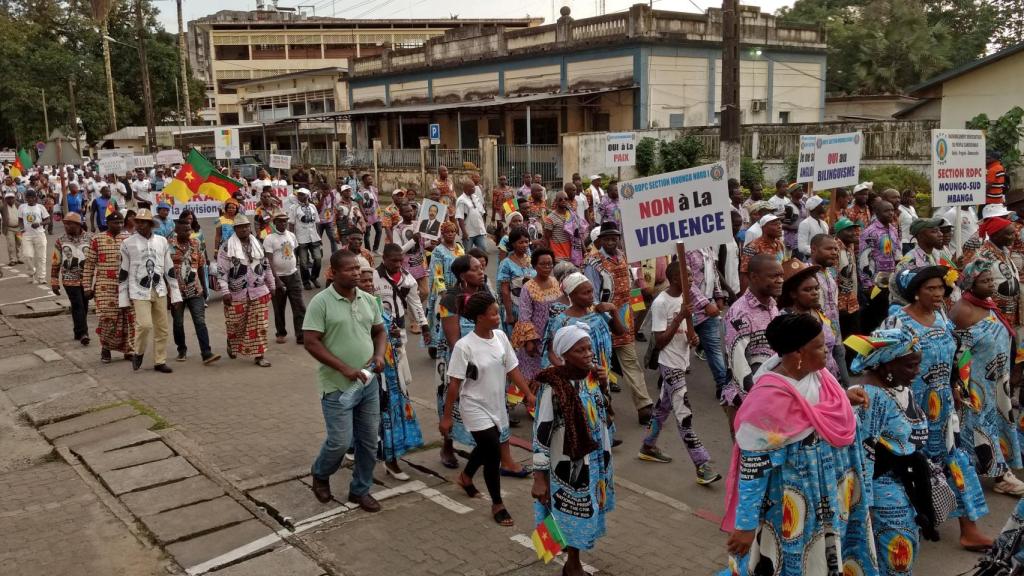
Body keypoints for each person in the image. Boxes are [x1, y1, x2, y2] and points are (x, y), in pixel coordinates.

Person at [722, 313, 873, 576]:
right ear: (797, 354)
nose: (826, 350)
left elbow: (815, 409)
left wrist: (846, 397)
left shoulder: (821, 377)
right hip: (795, 508)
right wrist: (745, 527)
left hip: (832, 499)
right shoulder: (766, 403)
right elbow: (753, 472)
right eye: (818, 346)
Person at [885, 265, 992, 550]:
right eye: (929, 289)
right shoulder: (898, 321)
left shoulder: (941, 317)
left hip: (943, 408)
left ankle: (969, 529)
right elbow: (882, 362)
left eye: (940, 288)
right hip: (909, 409)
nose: (937, 293)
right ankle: (909, 527)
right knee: (908, 466)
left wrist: (956, 385)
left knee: (955, 461)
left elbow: (954, 354)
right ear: (915, 292)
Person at [846, 328, 935, 575]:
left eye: (918, 365)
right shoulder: (871, 398)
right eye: (910, 366)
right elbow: (864, 455)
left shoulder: (899, 388)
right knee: (897, 555)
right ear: (885, 365)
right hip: (882, 490)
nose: (917, 372)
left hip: (903, 484)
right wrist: (865, 509)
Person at [303, 249, 387, 512]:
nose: (356, 273)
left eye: (358, 268)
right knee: (340, 442)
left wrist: (379, 354)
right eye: (350, 269)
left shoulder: (368, 299)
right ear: (334, 273)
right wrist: (344, 368)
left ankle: (360, 490)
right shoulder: (321, 302)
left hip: (367, 383)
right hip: (337, 384)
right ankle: (320, 472)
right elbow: (310, 341)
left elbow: (379, 330)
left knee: (368, 441)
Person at [443, 291, 533, 526]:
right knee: (492, 450)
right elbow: (454, 384)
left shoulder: (501, 337)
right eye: (493, 313)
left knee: (485, 447)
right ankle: (497, 503)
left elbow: (512, 369)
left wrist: (529, 394)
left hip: (496, 404)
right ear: (480, 318)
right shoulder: (464, 346)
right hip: (473, 405)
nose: (498, 316)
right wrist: (446, 418)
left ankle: (465, 477)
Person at [531, 324, 615, 576]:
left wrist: (603, 385)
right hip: (565, 465)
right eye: (580, 350)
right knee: (562, 509)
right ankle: (571, 565)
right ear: (565, 354)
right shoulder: (552, 385)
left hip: (594, 460)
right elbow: (541, 432)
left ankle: (571, 560)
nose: (588, 354)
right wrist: (539, 478)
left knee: (581, 511)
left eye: (589, 348)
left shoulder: (592, 377)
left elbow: (605, 414)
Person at [638, 261, 721, 484]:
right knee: (684, 413)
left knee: (662, 408)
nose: (693, 280)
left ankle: (648, 445)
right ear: (675, 279)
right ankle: (701, 464)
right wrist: (679, 317)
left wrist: (692, 339)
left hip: (681, 361)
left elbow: (683, 333)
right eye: (688, 277)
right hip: (669, 364)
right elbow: (660, 341)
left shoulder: (686, 299)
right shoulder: (661, 303)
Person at [951, 260, 1024, 496]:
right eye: (985, 281)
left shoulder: (988, 304)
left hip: (997, 381)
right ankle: (1000, 476)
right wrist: (962, 388)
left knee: (998, 423)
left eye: (992, 279)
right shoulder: (963, 310)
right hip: (978, 385)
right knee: (982, 427)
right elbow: (960, 354)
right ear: (971, 284)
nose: (991, 284)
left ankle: (989, 468)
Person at [358, 261, 423, 481]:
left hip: (391, 368)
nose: (368, 284)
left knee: (394, 413)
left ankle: (392, 458)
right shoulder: (356, 307)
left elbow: (385, 332)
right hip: (372, 372)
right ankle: (380, 461)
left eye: (370, 280)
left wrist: (393, 334)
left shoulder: (376, 302)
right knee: (376, 417)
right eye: (363, 280)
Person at [583, 222, 653, 422]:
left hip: (626, 318)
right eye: (607, 239)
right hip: (602, 322)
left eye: (615, 238)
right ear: (601, 241)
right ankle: (604, 409)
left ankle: (644, 405)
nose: (612, 242)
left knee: (631, 362)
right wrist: (612, 320)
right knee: (601, 366)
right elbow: (592, 298)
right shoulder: (592, 262)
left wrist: (638, 312)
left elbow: (633, 288)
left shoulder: (625, 257)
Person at [118, 209, 182, 373]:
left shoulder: (161, 241)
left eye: (143, 222)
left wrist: (175, 294)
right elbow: (123, 272)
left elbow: (169, 269)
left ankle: (159, 361)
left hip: (159, 289)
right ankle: (138, 352)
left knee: (162, 328)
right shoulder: (127, 243)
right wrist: (123, 299)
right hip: (138, 290)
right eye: (138, 221)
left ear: (150, 224)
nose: (140, 224)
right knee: (145, 325)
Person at [723, 255, 782, 423]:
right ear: (754, 277)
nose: (780, 280)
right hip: (748, 400)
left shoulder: (772, 305)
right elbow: (738, 365)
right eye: (773, 276)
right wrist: (759, 399)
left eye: (781, 276)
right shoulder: (740, 313)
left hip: (771, 394)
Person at [217, 215, 276, 368]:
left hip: (259, 290)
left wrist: (272, 285)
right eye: (240, 227)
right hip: (236, 292)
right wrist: (224, 291)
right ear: (235, 229)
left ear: (250, 227)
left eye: (246, 226)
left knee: (260, 325)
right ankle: (232, 342)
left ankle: (259, 355)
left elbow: (266, 266)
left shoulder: (258, 244)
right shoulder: (226, 247)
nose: (244, 229)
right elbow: (221, 272)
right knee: (236, 324)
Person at [373, 242, 429, 384]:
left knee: (403, 375)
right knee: (384, 369)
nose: (398, 264)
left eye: (400, 260)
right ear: (384, 259)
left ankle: (401, 399)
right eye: (394, 260)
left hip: (399, 328)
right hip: (377, 331)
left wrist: (424, 326)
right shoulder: (373, 278)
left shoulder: (407, 279)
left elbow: (415, 303)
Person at [83, 212, 133, 363]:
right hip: (105, 286)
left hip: (126, 286)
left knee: (127, 319)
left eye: (120, 223)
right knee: (107, 319)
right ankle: (105, 348)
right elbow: (90, 264)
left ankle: (128, 350)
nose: (118, 225)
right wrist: (86, 286)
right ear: (108, 223)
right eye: (115, 223)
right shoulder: (97, 239)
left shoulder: (129, 238)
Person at [169, 216, 219, 365]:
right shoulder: (169, 245)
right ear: (176, 231)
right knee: (178, 323)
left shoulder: (196, 244)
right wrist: (167, 294)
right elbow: (164, 270)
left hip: (195, 289)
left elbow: (201, 267)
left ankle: (206, 352)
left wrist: (204, 289)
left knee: (200, 321)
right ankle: (181, 349)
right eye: (184, 230)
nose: (188, 232)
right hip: (176, 291)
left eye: (189, 229)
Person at [778, 258, 839, 376]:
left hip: (831, 377)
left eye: (816, 288)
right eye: (807, 290)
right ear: (793, 294)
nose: (815, 293)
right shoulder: (786, 320)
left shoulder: (818, 311)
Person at [686, 246, 730, 400]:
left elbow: (714, 274)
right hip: (688, 309)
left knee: (713, 348)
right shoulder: (685, 250)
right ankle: (669, 381)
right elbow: (685, 281)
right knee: (680, 350)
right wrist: (704, 304)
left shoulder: (707, 248)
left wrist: (718, 295)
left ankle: (723, 385)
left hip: (707, 309)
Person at [511, 248, 559, 382]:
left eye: (550, 263)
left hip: (554, 336)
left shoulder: (555, 282)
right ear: (534, 266)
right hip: (536, 338)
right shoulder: (528, 287)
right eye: (543, 264)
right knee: (534, 375)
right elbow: (524, 316)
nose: (547, 267)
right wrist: (529, 341)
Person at [263, 210, 306, 345]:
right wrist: (276, 279)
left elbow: (293, 253)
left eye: (284, 221)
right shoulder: (269, 238)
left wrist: (294, 267)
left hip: (293, 275)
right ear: (274, 223)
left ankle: (301, 334)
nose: (282, 224)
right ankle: (281, 332)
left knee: (299, 306)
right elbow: (269, 261)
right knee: (279, 307)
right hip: (278, 277)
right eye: (279, 221)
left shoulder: (292, 235)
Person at [859, 200, 901, 333]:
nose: (890, 213)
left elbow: (898, 253)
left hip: (891, 281)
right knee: (878, 318)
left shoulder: (893, 229)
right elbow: (864, 258)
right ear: (877, 213)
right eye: (886, 210)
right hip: (875, 284)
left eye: (892, 210)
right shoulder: (870, 232)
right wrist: (867, 285)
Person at [50, 212, 91, 345]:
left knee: (84, 305)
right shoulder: (60, 241)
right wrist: (54, 281)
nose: (66, 226)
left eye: (70, 224)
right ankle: (84, 333)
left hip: (87, 279)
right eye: (65, 224)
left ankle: (78, 331)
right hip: (69, 279)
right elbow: (56, 261)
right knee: (77, 304)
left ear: (78, 225)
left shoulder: (90, 238)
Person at [497, 227, 535, 334]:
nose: (524, 245)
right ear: (513, 244)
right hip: (515, 308)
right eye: (520, 242)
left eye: (526, 242)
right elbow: (505, 291)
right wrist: (509, 314)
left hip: (532, 307)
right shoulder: (506, 263)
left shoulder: (531, 260)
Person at [739, 213, 784, 293]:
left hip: (777, 287)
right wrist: (744, 295)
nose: (779, 226)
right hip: (760, 289)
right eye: (774, 224)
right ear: (763, 228)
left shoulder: (780, 244)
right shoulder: (752, 247)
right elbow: (744, 273)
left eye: (779, 224)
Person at [288, 188, 322, 290]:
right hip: (301, 238)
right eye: (298, 194)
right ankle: (306, 281)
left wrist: (319, 237)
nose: (299, 196)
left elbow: (317, 222)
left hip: (314, 237)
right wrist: (292, 238)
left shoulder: (312, 206)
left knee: (318, 259)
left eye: (302, 194)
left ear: (308, 196)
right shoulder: (294, 208)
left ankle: (314, 277)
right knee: (303, 262)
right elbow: (291, 224)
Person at [544, 189, 585, 265]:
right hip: (558, 255)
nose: (563, 201)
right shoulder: (550, 218)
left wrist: (584, 252)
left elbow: (579, 236)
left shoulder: (572, 215)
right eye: (560, 199)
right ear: (556, 201)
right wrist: (549, 257)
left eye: (565, 199)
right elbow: (547, 238)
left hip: (572, 254)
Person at [18, 189, 49, 284]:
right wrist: (22, 228)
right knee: (27, 256)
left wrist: (39, 224)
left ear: (35, 198)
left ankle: (41, 277)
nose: (30, 199)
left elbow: (48, 220)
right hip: (27, 235)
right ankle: (31, 272)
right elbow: (20, 220)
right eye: (28, 197)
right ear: (26, 198)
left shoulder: (40, 207)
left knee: (41, 257)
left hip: (39, 235)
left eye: (32, 197)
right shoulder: (22, 207)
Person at [455, 177, 488, 253]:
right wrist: (464, 232)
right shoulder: (461, 200)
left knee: (482, 251)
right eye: (472, 187)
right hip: (468, 233)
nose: (474, 188)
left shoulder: (475, 197)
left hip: (479, 231)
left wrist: (483, 228)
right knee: (467, 254)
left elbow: (481, 213)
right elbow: (460, 218)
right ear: (466, 188)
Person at [796, 195, 828, 260]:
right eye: (822, 204)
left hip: (824, 258)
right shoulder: (805, 224)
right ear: (815, 207)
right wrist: (819, 252)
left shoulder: (824, 223)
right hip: (811, 259)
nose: (824, 206)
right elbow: (801, 247)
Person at [781, 185, 806, 258]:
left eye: (802, 190)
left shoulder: (803, 204)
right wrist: (795, 228)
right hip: (791, 239)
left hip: (802, 238)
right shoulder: (789, 207)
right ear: (793, 192)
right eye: (800, 190)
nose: (802, 192)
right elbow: (783, 225)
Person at [359, 174, 382, 252]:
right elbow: (360, 205)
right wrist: (364, 215)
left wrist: (379, 212)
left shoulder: (374, 189)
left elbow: (376, 201)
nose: (371, 181)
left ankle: (375, 249)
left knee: (379, 230)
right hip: (367, 215)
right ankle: (368, 251)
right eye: (369, 179)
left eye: (371, 179)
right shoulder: (360, 191)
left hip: (376, 214)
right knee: (367, 234)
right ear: (364, 181)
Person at [1, 192, 21, 265]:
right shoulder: (2, 206)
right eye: (8, 198)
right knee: (11, 244)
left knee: (19, 243)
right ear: (6, 199)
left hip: (18, 228)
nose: (10, 200)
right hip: (9, 229)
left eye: (12, 198)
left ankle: (19, 258)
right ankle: (12, 260)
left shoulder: (18, 205)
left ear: (14, 198)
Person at [897, 189, 919, 253]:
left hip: (913, 241)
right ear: (904, 197)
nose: (914, 199)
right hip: (904, 242)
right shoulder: (899, 209)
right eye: (912, 197)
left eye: (915, 197)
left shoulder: (912, 208)